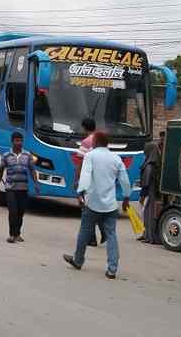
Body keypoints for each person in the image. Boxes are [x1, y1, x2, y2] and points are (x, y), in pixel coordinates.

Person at [63, 131, 131, 280]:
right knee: (111, 235)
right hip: (110, 205)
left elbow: (85, 175)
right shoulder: (116, 158)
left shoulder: (91, 156)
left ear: (96, 142)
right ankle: (112, 269)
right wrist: (126, 197)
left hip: (92, 203)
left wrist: (80, 192)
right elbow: (124, 180)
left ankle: (78, 260)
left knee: (84, 232)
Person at [0, 132, 39, 243]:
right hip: (10, 188)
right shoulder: (6, 156)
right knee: (13, 211)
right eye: (16, 140)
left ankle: (18, 233)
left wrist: (36, 183)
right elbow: (0, 171)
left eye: (20, 140)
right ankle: (12, 234)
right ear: (12, 141)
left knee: (20, 212)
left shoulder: (27, 155)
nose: (18, 143)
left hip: (23, 188)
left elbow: (32, 170)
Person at [74, 118, 106, 247]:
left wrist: (77, 179)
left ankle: (92, 238)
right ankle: (103, 232)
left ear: (84, 128)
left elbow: (80, 162)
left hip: (88, 180)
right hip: (101, 179)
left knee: (87, 209)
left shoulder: (86, 142)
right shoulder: (101, 141)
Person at [139, 142, 161, 244]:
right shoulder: (156, 163)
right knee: (148, 214)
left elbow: (146, 183)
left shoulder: (149, 165)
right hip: (153, 193)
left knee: (148, 214)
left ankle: (149, 236)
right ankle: (147, 235)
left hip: (149, 193)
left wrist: (142, 196)